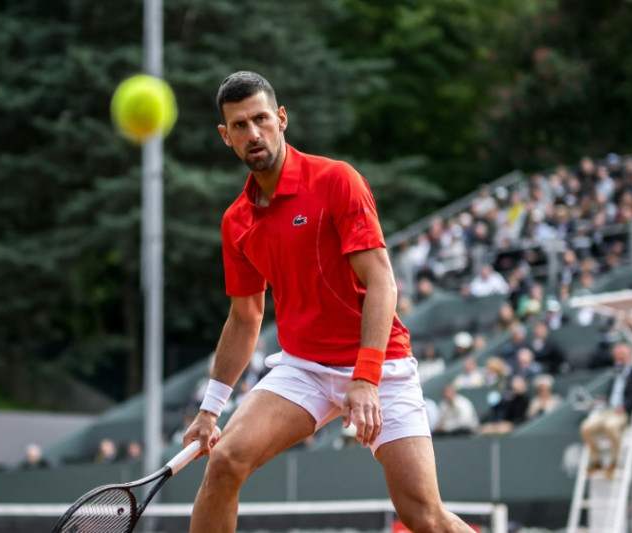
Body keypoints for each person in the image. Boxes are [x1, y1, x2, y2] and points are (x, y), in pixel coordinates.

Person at [183, 72, 475, 533]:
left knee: (425, 517)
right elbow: (245, 317)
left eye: (260, 119)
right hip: (303, 369)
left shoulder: (337, 179)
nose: (252, 133)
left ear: (281, 119)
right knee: (224, 462)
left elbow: (382, 283)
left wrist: (366, 377)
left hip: (380, 364)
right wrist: (209, 409)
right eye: (239, 126)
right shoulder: (236, 221)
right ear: (226, 137)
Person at [580, 343, 632, 477]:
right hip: (608, 411)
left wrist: (626, 405)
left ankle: (615, 461)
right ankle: (596, 461)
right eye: (617, 356)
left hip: (623, 413)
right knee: (586, 428)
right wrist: (603, 400)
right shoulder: (615, 374)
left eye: (622, 355)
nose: (619, 358)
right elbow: (612, 395)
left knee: (610, 427)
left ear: (629, 355)